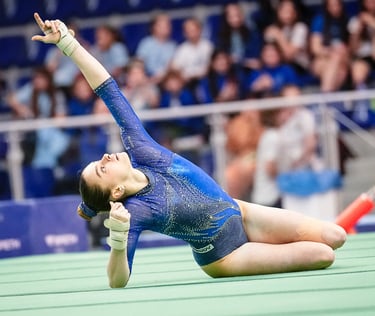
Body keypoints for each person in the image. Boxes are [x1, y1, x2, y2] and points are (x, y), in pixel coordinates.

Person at [31, 13, 346, 288]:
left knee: (336, 236)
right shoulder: (136, 211)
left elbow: (109, 90)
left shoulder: (142, 149)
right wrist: (117, 238)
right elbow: (118, 281)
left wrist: (68, 44)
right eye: (101, 168)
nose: (104, 158)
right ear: (116, 190)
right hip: (225, 254)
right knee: (322, 254)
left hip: (241, 212)